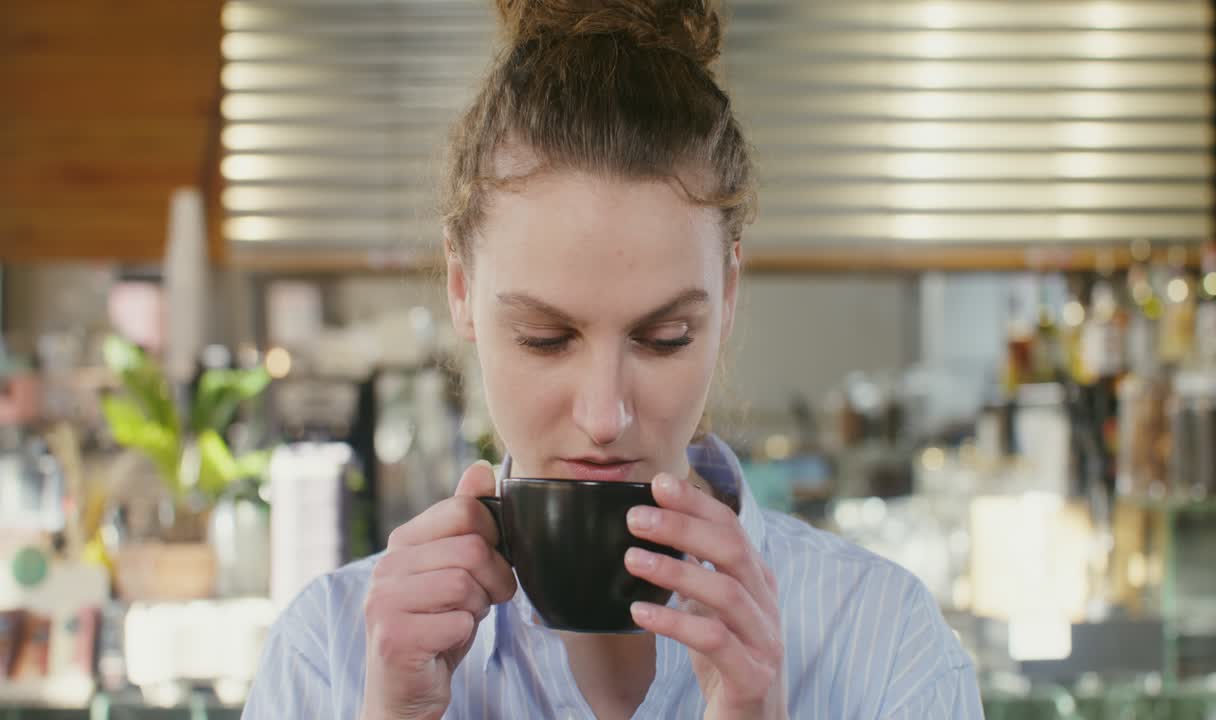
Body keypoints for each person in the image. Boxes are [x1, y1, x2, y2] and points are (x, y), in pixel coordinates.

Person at [243, 1, 983, 718]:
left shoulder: (888, 645)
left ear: (728, 293)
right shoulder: (327, 656)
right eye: (545, 337)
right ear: (461, 287)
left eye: (665, 339)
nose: (604, 417)